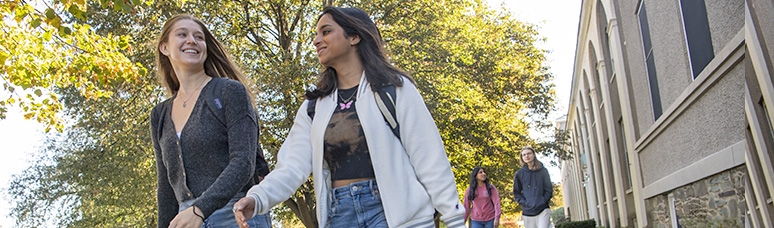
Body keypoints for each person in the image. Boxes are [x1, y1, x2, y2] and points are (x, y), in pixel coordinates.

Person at [232, 6, 466, 228]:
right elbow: (291, 167)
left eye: (326, 31)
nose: (316, 40)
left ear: (354, 37)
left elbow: (430, 158)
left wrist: (454, 218)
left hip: (394, 215)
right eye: (316, 34)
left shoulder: (393, 89)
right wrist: (258, 198)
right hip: (340, 213)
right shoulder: (314, 106)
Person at [149, 14, 272, 228]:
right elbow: (167, 187)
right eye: (182, 34)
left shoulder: (228, 92)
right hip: (185, 218)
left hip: (236, 214)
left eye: (199, 37)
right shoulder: (159, 115)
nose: (192, 41)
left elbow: (243, 162)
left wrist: (200, 210)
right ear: (164, 48)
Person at [512, 146, 553, 228]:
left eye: (529, 153)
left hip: (543, 209)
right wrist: (525, 203)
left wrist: (543, 200)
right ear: (522, 158)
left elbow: (549, 189)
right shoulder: (519, 174)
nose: (526, 156)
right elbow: (516, 192)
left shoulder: (543, 171)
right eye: (524, 155)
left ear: (533, 155)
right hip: (528, 211)